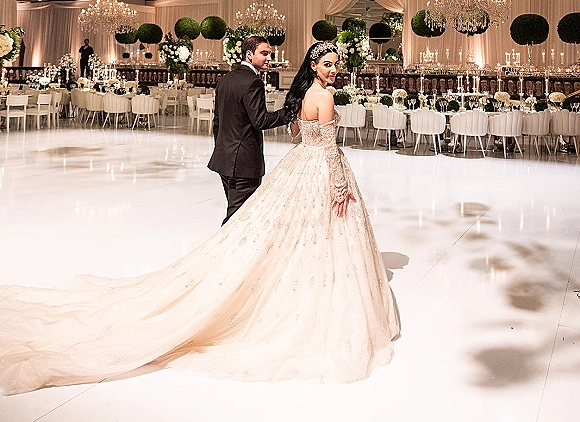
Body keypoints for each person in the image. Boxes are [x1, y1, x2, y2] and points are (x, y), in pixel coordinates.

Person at [0, 41, 399, 396]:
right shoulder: (318, 96)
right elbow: (323, 146)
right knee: (246, 230)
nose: (333, 69)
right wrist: (339, 186)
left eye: (336, 64)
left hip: (262, 161)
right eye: (328, 63)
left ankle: (232, 272)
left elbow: (279, 129)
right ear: (314, 67)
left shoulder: (246, 83)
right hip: (299, 167)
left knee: (252, 225)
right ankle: (228, 279)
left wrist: (291, 121)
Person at [208, 34, 289, 224]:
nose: (269, 58)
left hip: (224, 158)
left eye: (270, 54)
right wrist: (288, 113)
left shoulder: (226, 79)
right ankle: (220, 253)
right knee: (237, 218)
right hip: (243, 163)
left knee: (239, 214)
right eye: (264, 53)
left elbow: (217, 121)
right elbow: (260, 121)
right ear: (249, 54)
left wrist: (222, 149)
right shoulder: (253, 82)